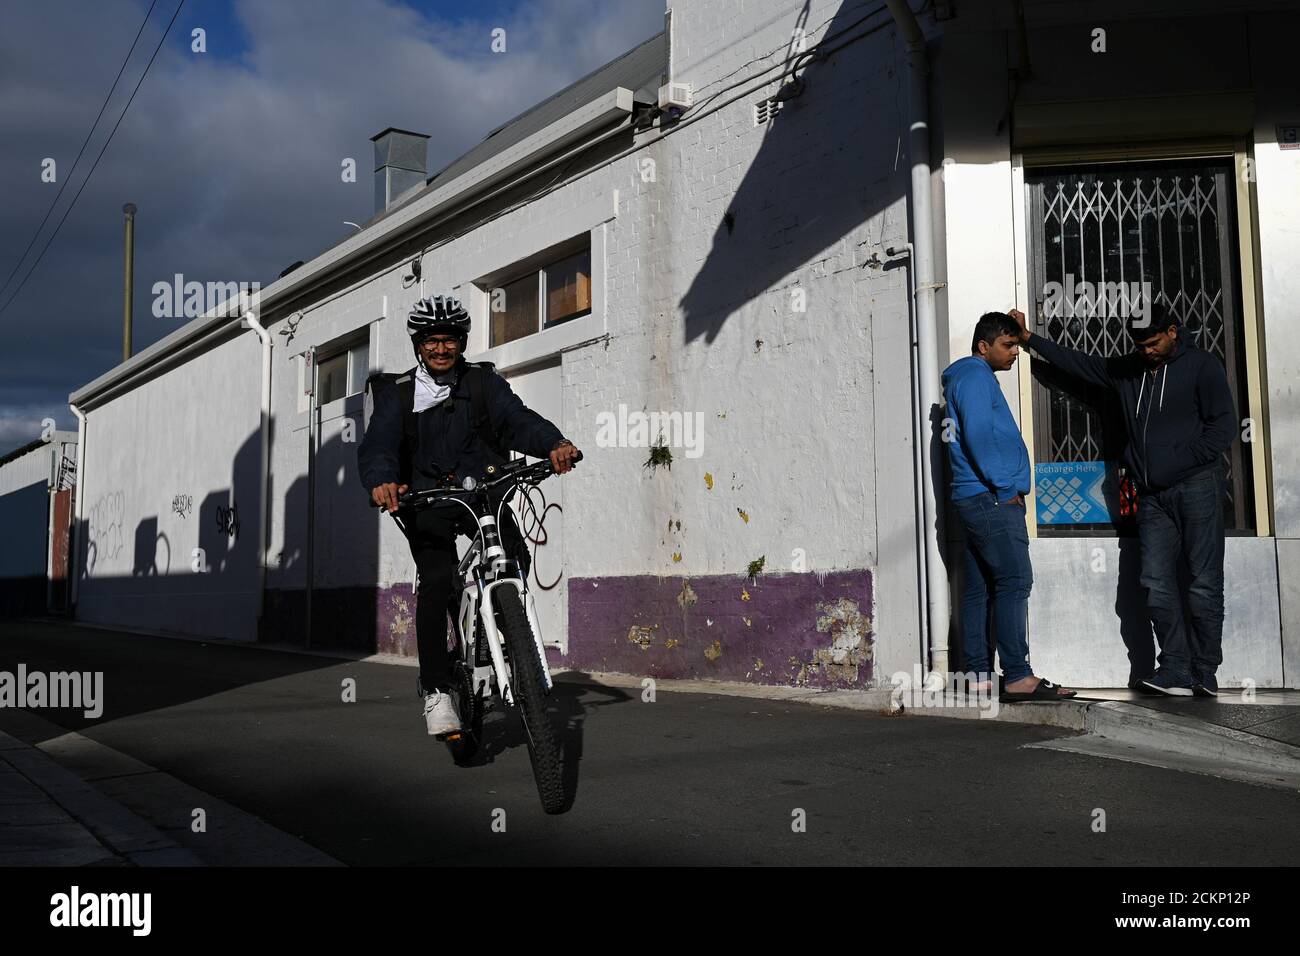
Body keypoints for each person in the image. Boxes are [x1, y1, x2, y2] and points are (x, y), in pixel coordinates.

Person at [357, 295, 580, 736]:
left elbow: (517, 420)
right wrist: (383, 481)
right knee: (437, 580)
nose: (441, 350)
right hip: (426, 499)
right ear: (419, 344)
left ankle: (509, 637)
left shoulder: (482, 383)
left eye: (450, 341)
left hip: (484, 490)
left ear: (462, 342)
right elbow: (380, 445)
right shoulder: (398, 395)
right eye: (432, 341)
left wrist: (554, 443)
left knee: (513, 558)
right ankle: (438, 690)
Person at [1010, 303, 1236, 697]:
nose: (1146, 350)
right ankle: (1176, 669)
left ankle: (1205, 671)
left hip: (1198, 485)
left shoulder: (1202, 366)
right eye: (1139, 344)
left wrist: (1178, 462)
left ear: (1172, 331)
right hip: (1152, 497)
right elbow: (1080, 363)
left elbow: (1224, 428)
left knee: (1203, 583)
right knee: (1155, 582)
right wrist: (1030, 340)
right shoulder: (1129, 370)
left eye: (1152, 343)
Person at [943, 312, 1076, 702]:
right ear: (983, 347)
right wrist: (1004, 487)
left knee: (980, 589)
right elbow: (980, 437)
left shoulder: (970, 377)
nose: (1015, 351)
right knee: (1014, 581)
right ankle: (1017, 675)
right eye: (1007, 344)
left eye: (1017, 344)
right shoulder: (974, 377)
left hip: (976, 497)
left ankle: (977, 677)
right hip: (989, 498)